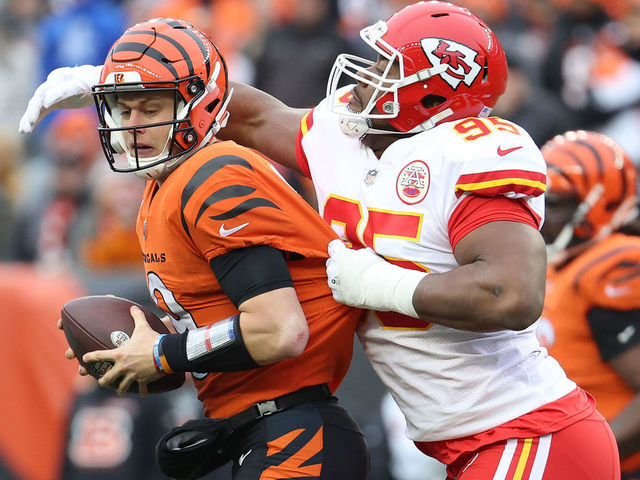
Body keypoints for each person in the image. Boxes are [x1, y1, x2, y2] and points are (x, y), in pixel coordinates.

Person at [17, 2, 620, 478]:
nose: (363, 75)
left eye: (388, 66)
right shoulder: (344, 139)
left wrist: (384, 283)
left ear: (440, 88)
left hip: (528, 430)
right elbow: (240, 113)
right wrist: (121, 81)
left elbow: (510, 293)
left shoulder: (470, 153)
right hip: (462, 443)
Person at [25, 18, 369, 480]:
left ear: (198, 106)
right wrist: (138, 344)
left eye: (151, 109)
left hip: (295, 437)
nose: (133, 126)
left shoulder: (212, 175)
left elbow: (281, 329)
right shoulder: (164, 186)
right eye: (124, 111)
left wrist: (165, 351)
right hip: (263, 431)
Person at [536, 130, 640, 479]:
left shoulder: (614, 266)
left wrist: (586, 463)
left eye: (557, 203)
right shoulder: (565, 263)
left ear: (601, 203)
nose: (540, 214)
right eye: (538, 199)